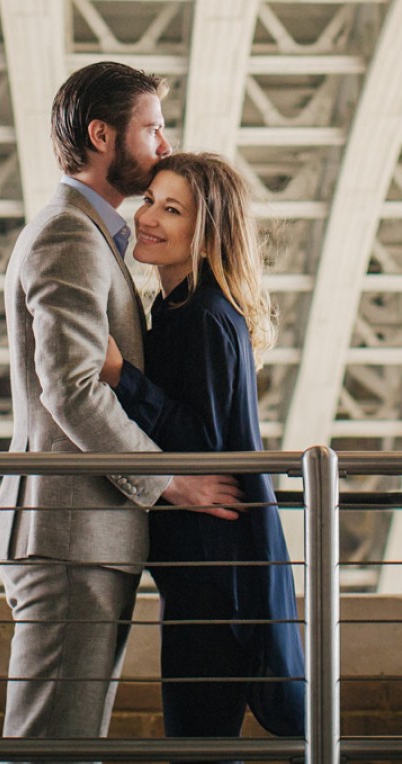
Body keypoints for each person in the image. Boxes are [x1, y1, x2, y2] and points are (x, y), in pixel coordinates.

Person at [0, 63, 243, 747]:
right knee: (53, 746)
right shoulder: (69, 236)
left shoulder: (86, 234)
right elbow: (71, 388)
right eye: (151, 129)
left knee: (63, 741)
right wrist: (170, 482)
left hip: (80, 535)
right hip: (73, 537)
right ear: (103, 136)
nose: (164, 144)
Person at [99, 152, 306, 749]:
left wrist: (120, 376)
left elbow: (203, 443)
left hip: (216, 573)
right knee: (200, 740)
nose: (147, 218)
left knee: (198, 743)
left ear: (208, 234)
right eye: (149, 201)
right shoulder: (180, 308)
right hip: (207, 564)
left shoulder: (205, 316)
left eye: (172, 210)